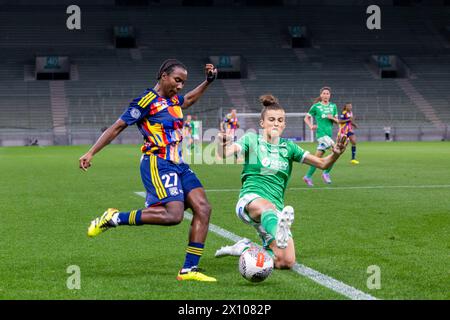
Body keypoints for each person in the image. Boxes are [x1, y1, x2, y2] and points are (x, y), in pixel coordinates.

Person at [79, 59, 218, 282]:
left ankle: (189, 270)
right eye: (177, 80)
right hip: (157, 162)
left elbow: (189, 100)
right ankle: (114, 218)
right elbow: (118, 127)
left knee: (203, 208)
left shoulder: (173, 100)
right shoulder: (146, 101)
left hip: (179, 164)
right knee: (174, 215)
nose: (180, 86)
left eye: (183, 82)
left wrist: (208, 82)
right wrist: (91, 152)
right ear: (164, 75)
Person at [214, 94, 348, 269]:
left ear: (284, 124)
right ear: (262, 123)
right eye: (271, 119)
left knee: (285, 261)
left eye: (280, 120)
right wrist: (221, 143)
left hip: (275, 212)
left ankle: (246, 247)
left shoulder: (289, 147)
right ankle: (277, 229)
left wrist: (336, 153)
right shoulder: (252, 139)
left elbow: (322, 163)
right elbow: (226, 153)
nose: (276, 123)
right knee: (267, 207)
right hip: (251, 201)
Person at [303, 87, 339, 186]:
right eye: (324, 93)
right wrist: (310, 126)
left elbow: (337, 121)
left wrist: (332, 118)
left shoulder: (333, 106)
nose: (326, 95)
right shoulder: (316, 106)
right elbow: (306, 118)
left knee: (317, 159)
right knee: (336, 151)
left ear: (330, 95)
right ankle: (326, 173)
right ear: (321, 95)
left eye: (327, 93)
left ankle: (307, 176)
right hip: (321, 134)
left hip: (329, 134)